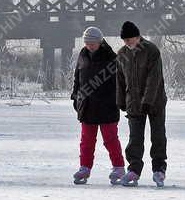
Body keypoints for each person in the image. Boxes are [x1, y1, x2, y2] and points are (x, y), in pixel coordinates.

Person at [115, 21, 168, 187]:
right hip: (133, 102)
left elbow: (155, 79)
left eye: (130, 39)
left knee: (158, 135)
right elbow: (120, 80)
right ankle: (134, 170)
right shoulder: (122, 54)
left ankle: (159, 169)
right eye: (125, 40)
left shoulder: (151, 50)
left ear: (138, 37)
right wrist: (120, 100)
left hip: (156, 101)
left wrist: (148, 101)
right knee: (135, 138)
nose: (127, 42)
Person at [71, 26, 125, 185]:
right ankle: (85, 168)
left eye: (92, 43)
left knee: (110, 139)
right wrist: (76, 96)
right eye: (87, 43)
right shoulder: (83, 54)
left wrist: (118, 100)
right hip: (87, 105)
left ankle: (119, 167)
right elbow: (78, 77)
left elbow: (119, 83)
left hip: (107, 105)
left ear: (100, 42)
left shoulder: (111, 57)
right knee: (86, 140)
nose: (89, 46)